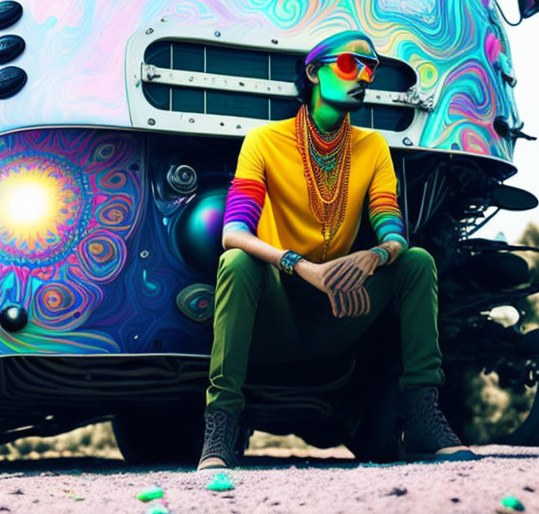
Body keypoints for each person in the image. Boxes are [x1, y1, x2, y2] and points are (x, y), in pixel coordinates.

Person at [197, 30, 476, 470]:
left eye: (369, 69)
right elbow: (233, 233)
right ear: (313, 72)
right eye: (349, 65)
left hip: (338, 311)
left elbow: (393, 231)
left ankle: (422, 414)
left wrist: (376, 255)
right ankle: (221, 427)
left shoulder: (373, 147)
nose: (362, 76)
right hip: (274, 309)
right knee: (236, 262)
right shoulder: (264, 141)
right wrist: (299, 265)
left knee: (416, 261)